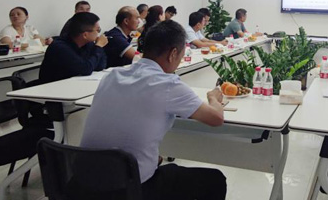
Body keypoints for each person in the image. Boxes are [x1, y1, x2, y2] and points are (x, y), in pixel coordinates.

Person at [80, 20, 226, 200]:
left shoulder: (112, 76)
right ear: (173, 54)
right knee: (215, 180)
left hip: (84, 183)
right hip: (129, 190)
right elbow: (216, 118)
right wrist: (213, 98)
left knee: (159, 162)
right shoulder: (167, 84)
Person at [39, 12, 107, 84]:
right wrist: (99, 46)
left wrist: (98, 47)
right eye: (98, 30)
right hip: (53, 87)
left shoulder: (87, 43)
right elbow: (86, 69)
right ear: (85, 35)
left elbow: (100, 66)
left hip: (74, 84)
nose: (98, 34)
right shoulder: (60, 47)